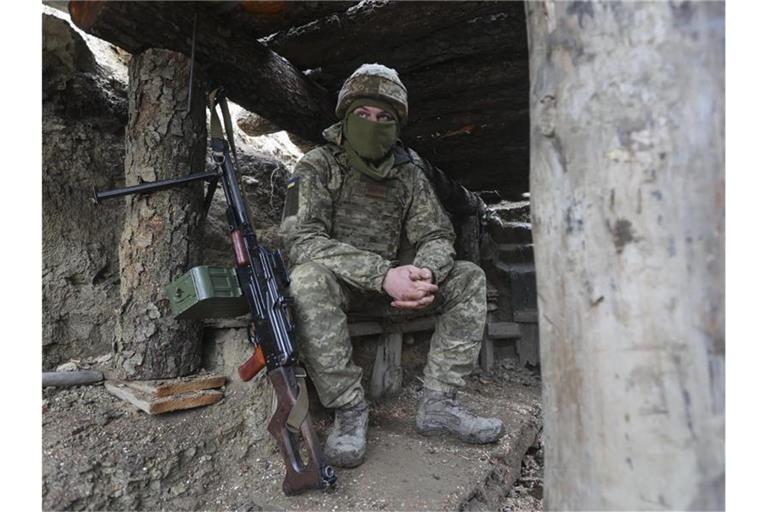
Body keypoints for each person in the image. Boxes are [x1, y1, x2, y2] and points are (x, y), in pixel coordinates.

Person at [279, 63, 504, 468]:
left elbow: (437, 234)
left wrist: (425, 273)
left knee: (470, 277)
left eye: (384, 118)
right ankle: (349, 409)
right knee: (307, 280)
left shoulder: (409, 173)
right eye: (363, 114)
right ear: (345, 117)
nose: (373, 123)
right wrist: (382, 275)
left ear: (397, 126)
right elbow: (301, 240)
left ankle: (439, 403)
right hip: (345, 287)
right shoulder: (318, 166)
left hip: (401, 291)